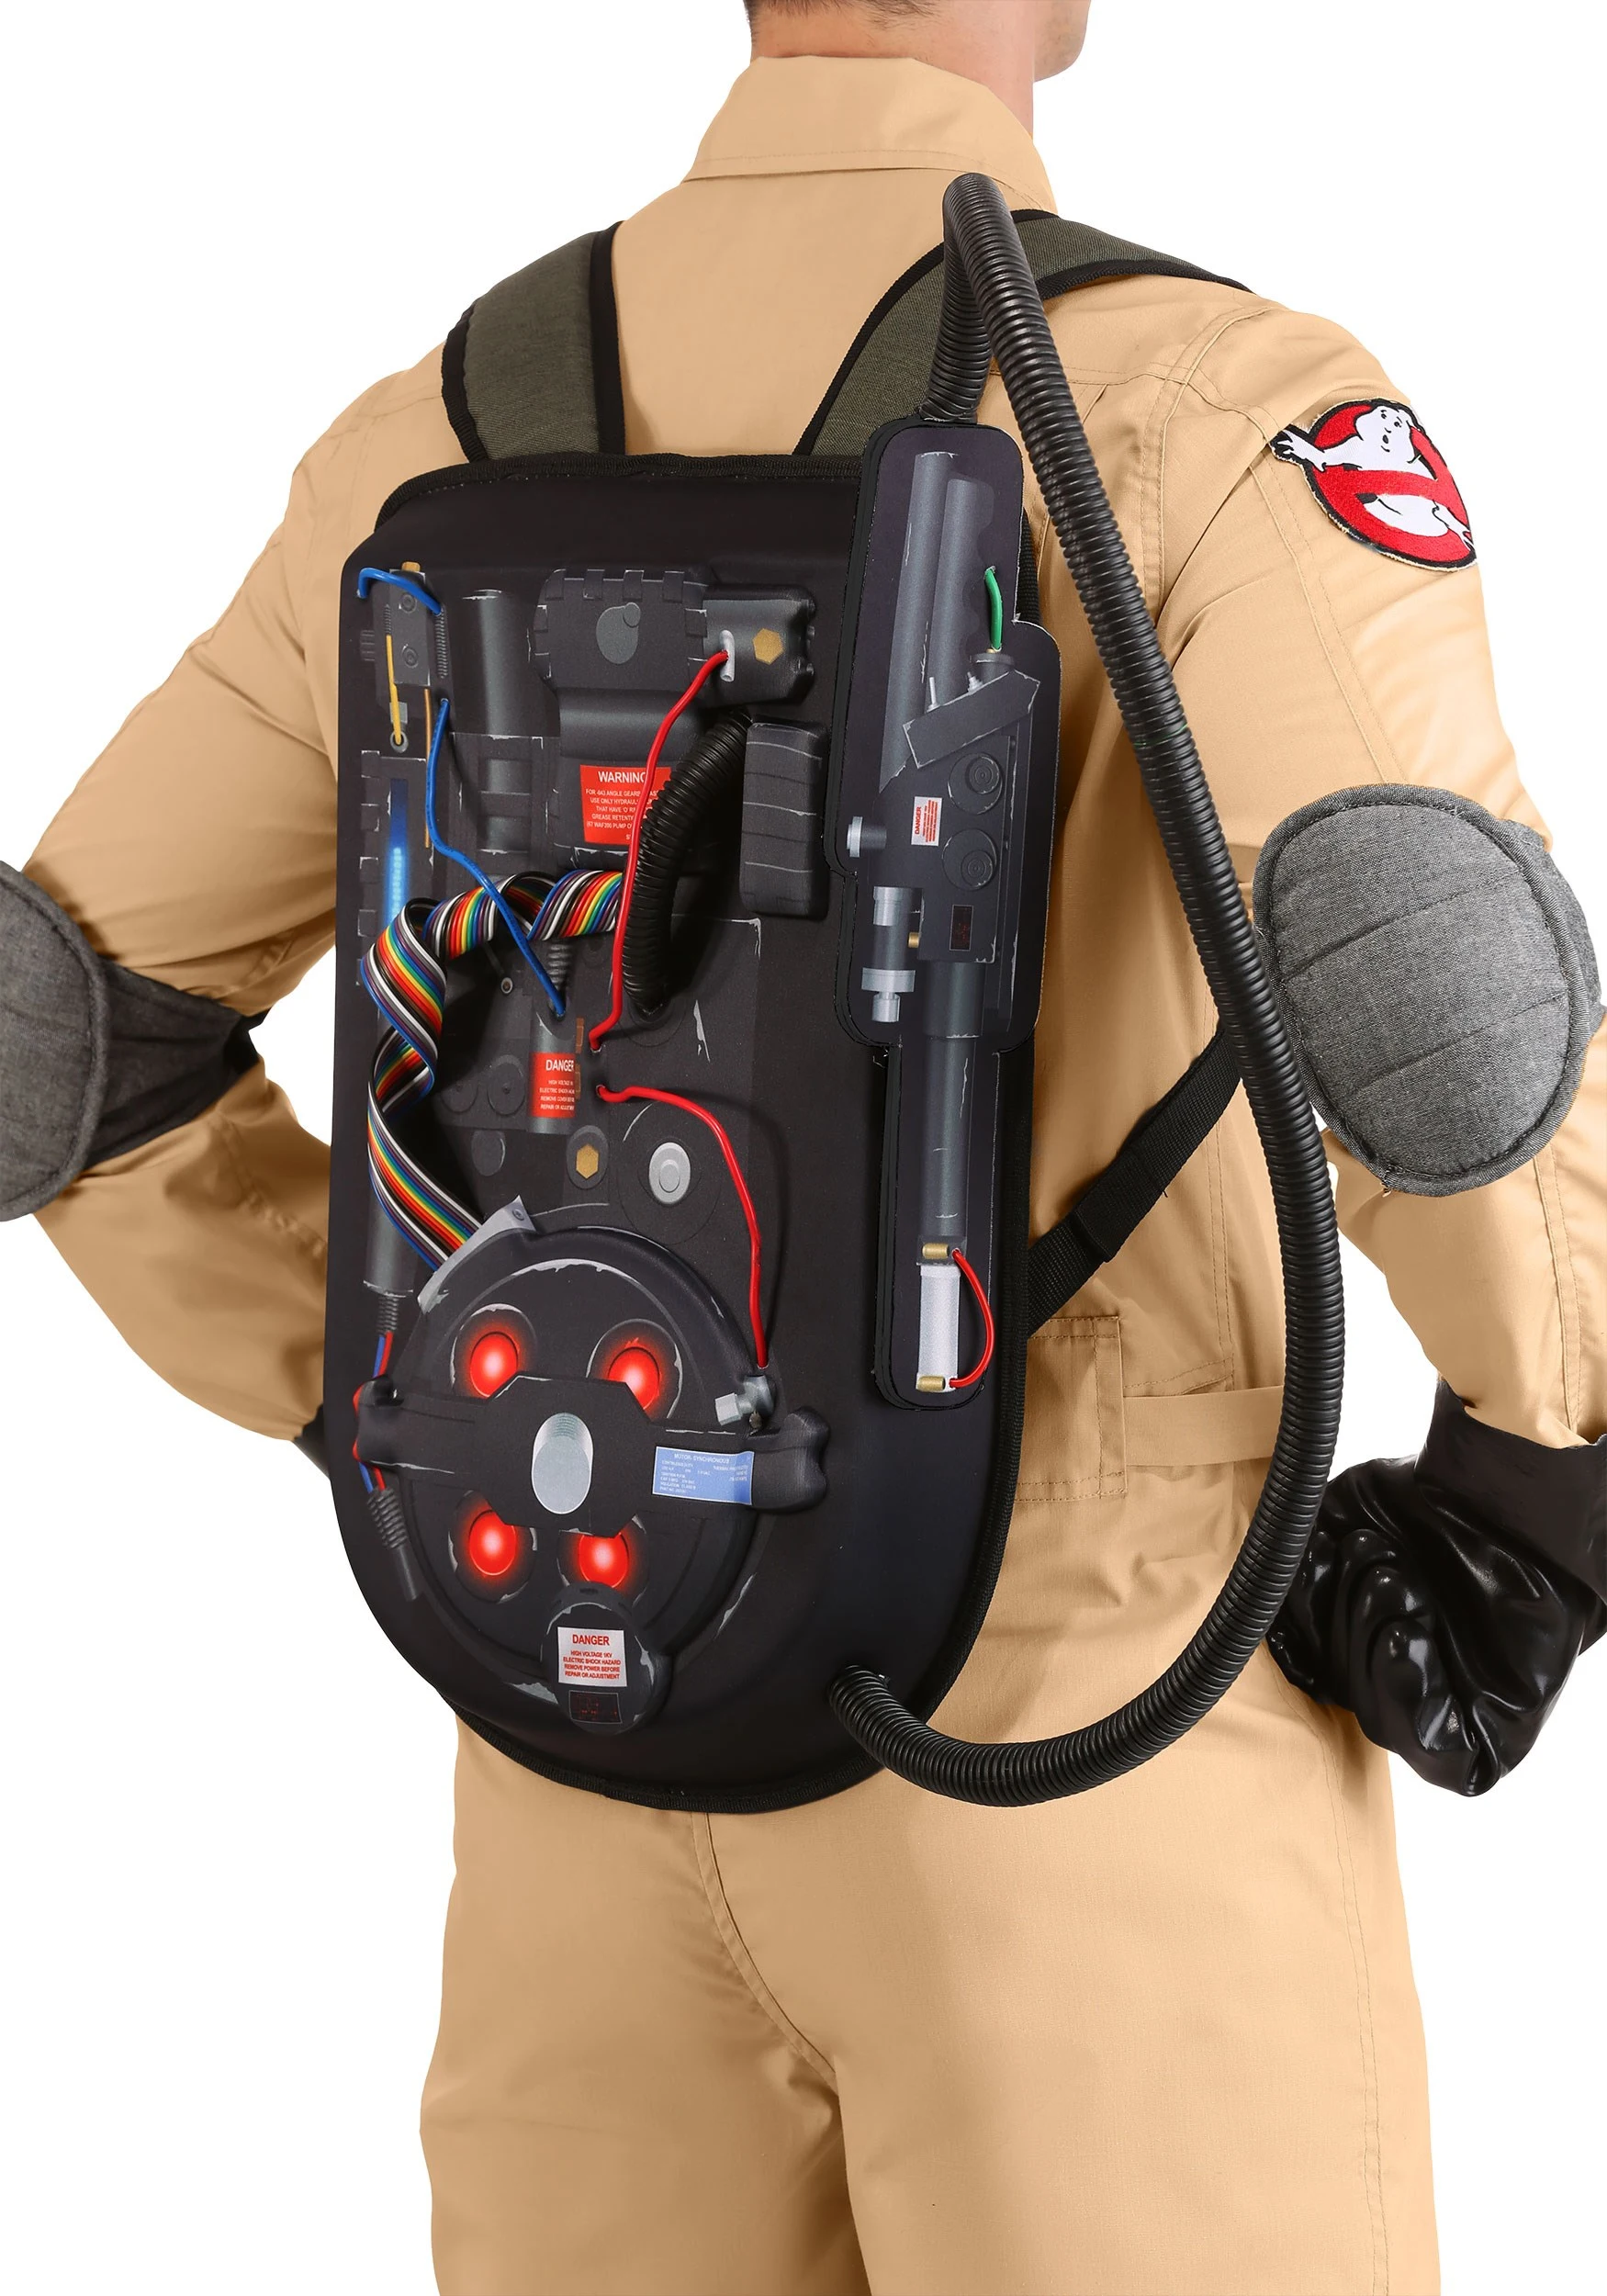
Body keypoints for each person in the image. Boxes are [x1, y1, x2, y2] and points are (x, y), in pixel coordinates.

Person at [7, 1, 1601, 2290]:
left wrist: (428, 1391)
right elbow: (1430, 989)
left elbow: (60, 1032)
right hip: (1081, 1742)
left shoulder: (443, 429)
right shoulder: (1206, 406)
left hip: (587, 1705)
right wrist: (1534, 1486)